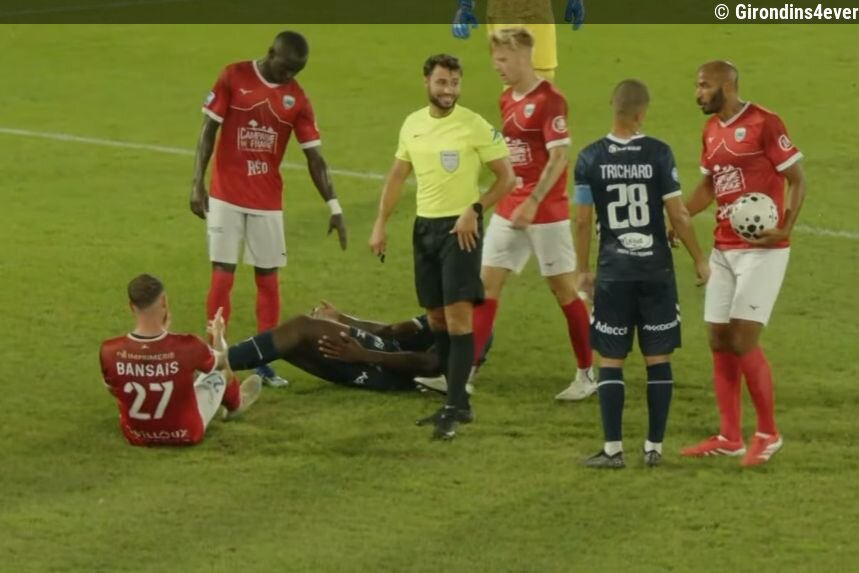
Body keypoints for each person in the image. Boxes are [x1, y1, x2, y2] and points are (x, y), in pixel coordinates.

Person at [190, 30, 348, 389]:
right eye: (285, 67)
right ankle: (215, 358)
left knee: (268, 280)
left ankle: (264, 361)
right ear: (270, 53)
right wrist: (197, 182)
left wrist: (334, 206)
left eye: (296, 71)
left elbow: (315, 157)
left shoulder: (297, 98)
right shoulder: (234, 75)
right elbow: (208, 129)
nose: (289, 75)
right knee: (223, 276)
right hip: (226, 195)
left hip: (267, 200)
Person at [369, 54, 515, 440]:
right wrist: (381, 223)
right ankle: (457, 401)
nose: (449, 90)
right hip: (424, 229)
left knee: (458, 319)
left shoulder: (474, 125)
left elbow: (507, 178)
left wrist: (475, 210)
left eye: (454, 83)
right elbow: (397, 175)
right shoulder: (412, 124)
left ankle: (453, 406)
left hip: (460, 231)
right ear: (427, 83)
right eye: (442, 82)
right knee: (436, 319)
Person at [574, 80, 710, 468]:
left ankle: (613, 450)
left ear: (612, 106)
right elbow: (678, 214)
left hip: (613, 274)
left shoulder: (589, 158)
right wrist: (699, 258)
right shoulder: (658, 153)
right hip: (656, 273)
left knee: (611, 360)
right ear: (641, 112)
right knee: (658, 358)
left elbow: (582, 221)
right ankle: (654, 448)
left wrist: (583, 270)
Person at [680, 61, 807, 467]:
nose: (698, 93)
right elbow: (709, 185)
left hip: (762, 251)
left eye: (704, 86)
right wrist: (678, 217)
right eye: (697, 86)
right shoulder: (711, 129)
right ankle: (729, 436)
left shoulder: (764, 123)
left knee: (742, 340)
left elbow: (797, 178)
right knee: (719, 339)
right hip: (723, 248)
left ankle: (768, 433)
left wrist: (785, 226)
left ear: (727, 85)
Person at [470, 27, 594, 402]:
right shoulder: (506, 98)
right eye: (495, 60)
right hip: (511, 206)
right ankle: (464, 373)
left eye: (503, 60)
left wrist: (534, 200)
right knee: (486, 286)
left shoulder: (550, 100)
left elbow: (559, 157)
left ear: (524, 58)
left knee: (563, 290)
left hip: (546, 211)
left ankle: (587, 374)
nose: (497, 67)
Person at [99, 274, 262, 447]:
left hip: (136, 435)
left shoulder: (109, 350)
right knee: (217, 371)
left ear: (131, 306)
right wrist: (218, 335)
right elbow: (222, 361)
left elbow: (114, 390)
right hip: (185, 433)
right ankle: (236, 405)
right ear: (164, 302)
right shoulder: (189, 346)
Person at [222, 303, 442, 392]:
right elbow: (392, 330)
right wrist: (341, 318)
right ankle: (217, 375)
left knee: (301, 328)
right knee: (291, 343)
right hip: (386, 351)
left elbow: (431, 364)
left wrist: (365, 355)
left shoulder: (458, 318)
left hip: (399, 373)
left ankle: (212, 363)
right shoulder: (445, 305)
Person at [452, 0, 585, 81]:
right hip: (504, 10)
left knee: (543, 76)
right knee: (513, 74)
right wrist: (465, 6)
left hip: (538, 10)